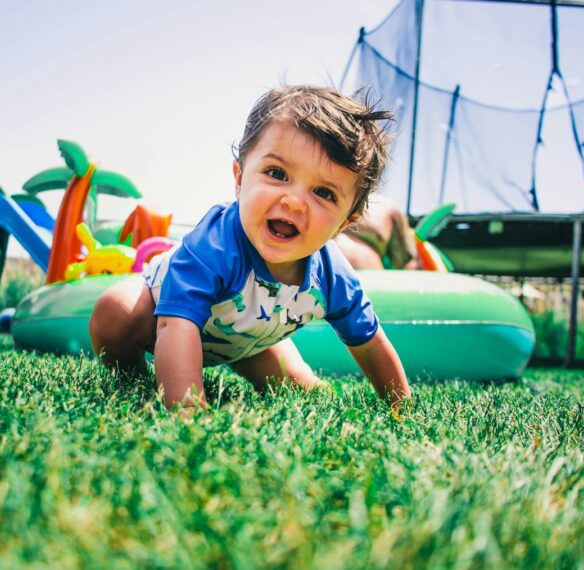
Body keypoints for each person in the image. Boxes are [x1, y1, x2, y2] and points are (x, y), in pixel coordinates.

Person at [89, 86, 411, 411]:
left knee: (303, 392)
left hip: (248, 339)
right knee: (115, 312)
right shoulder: (215, 244)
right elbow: (176, 325)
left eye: (324, 193)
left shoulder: (331, 273)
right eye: (277, 174)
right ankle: (133, 377)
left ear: (344, 223)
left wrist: (402, 408)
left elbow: (371, 344)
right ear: (240, 178)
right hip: (164, 316)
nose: (295, 202)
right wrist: (187, 412)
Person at [334, 197, 421, 270]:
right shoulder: (330, 196)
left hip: (369, 284)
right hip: (324, 279)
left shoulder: (386, 207)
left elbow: (408, 263)